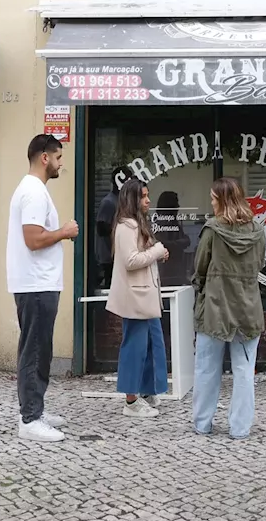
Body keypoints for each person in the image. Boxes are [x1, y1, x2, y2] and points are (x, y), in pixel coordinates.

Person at [7, 134, 78, 443]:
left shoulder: (33, 190)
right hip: (36, 284)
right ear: (44, 157)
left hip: (38, 283)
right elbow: (33, 239)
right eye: (58, 157)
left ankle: (35, 409)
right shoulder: (34, 192)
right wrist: (64, 231)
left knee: (39, 349)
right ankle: (30, 419)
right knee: (35, 350)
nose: (61, 163)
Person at [191, 176, 266, 440]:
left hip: (214, 308)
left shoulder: (212, 230)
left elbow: (200, 268)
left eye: (213, 199)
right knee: (244, 372)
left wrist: (202, 288)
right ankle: (240, 428)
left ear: (221, 201)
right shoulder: (257, 231)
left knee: (206, 369)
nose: (211, 204)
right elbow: (260, 265)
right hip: (248, 308)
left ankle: (202, 423)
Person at [105, 178, 170, 418]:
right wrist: (156, 251)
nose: (148, 200)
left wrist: (157, 252)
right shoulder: (126, 226)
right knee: (135, 347)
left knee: (151, 344)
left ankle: (145, 391)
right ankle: (131, 400)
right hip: (135, 298)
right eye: (144, 196)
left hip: (144, 295)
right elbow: (131, 261)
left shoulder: (135, 224)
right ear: (133, 199)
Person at [94, 168, 124, 291]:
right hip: (109, 258)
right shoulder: (109, 202)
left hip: (118, 256)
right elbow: (101, 227)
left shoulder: (120, 201)